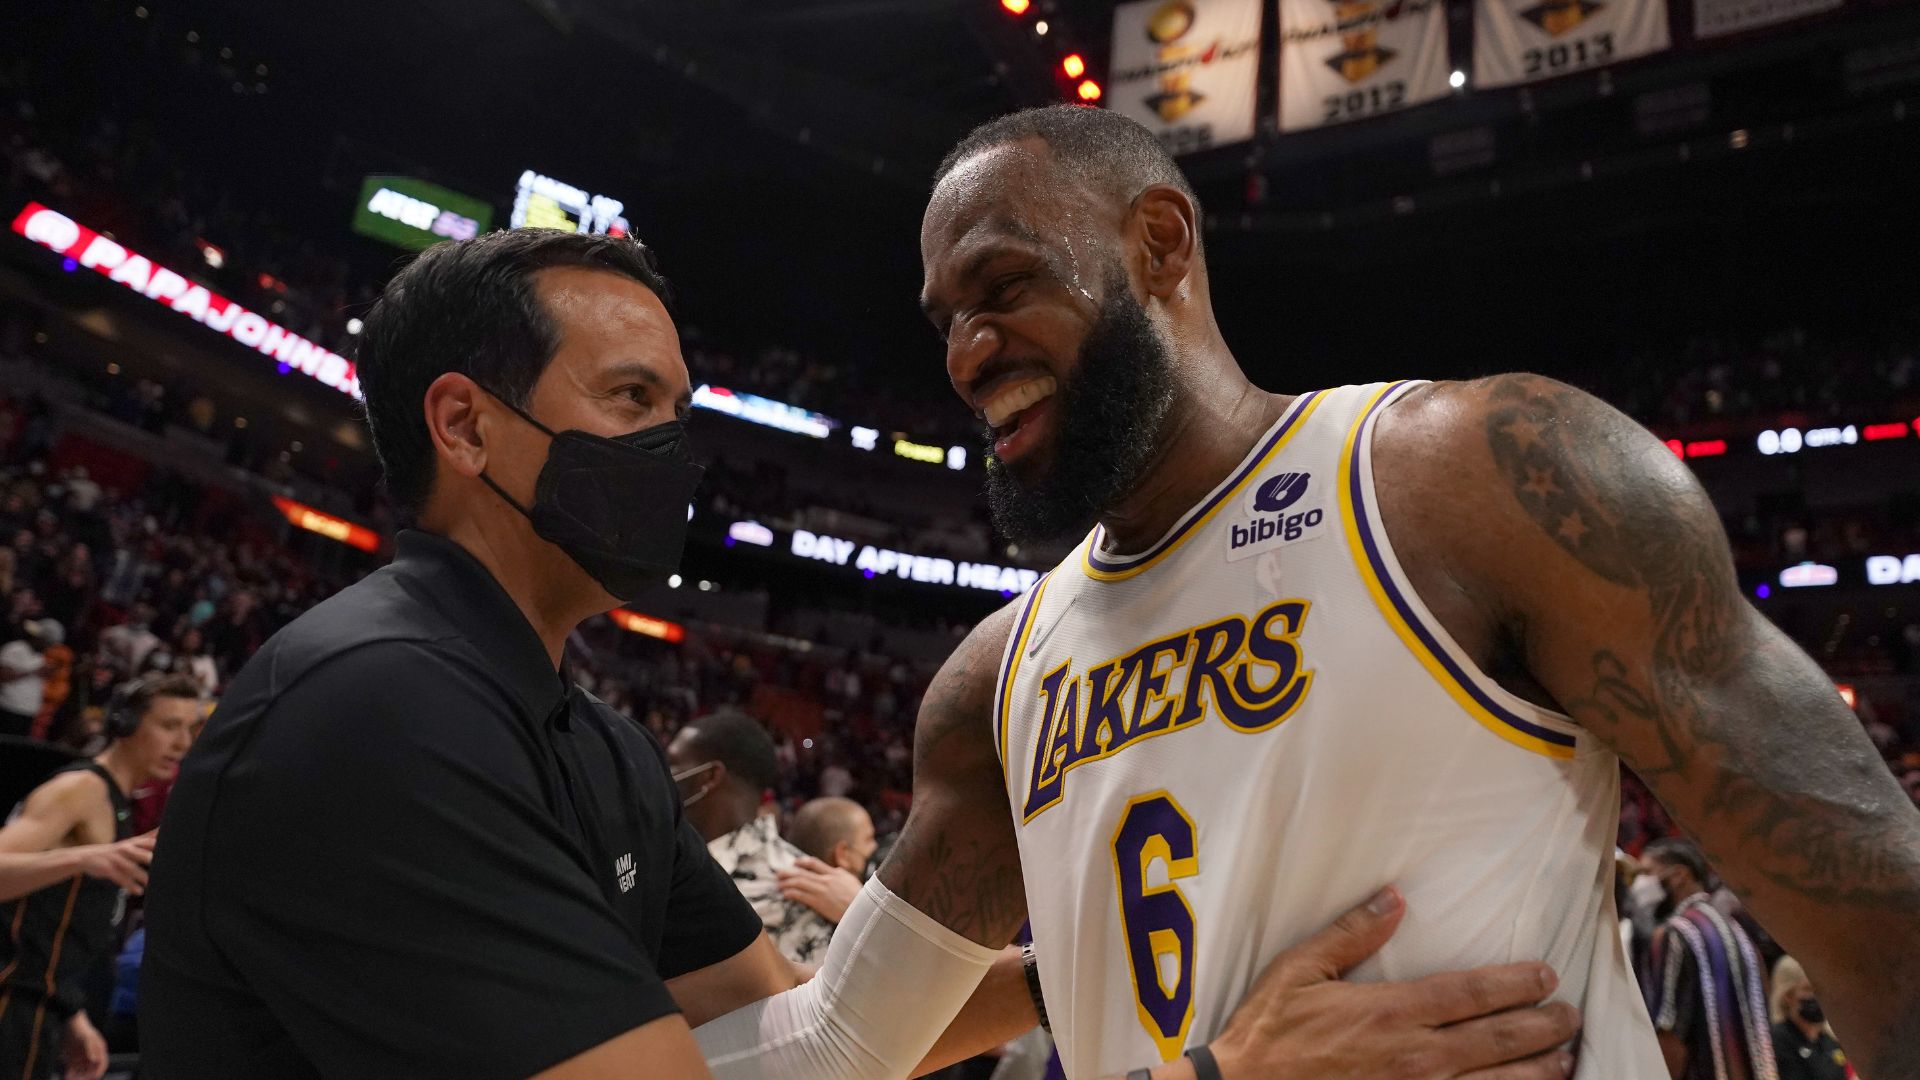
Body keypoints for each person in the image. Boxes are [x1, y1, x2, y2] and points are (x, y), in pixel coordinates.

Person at [141, 228, 1583, 1080]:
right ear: (464, 426)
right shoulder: (379, 710)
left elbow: (820, 1043)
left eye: (679, 405)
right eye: (630, 397)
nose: (673, 448)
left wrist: (1133, 963)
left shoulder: (590, 741)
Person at [866, 104, 1920, 1079]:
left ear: (1160, 244)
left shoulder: (1468, 480)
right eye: (942, 320)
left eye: (1003, 288)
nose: (964, 354)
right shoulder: (991, 682)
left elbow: (1885, 924)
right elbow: (840, 1045)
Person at [0, 671, 199, 1080]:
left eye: (189, 729)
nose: (182, 744)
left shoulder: (116, 802)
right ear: (124, 723)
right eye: (169, 726)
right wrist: (84, 858)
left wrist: (70, 1013)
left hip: (37, 1007)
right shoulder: (80, 789)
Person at [666, 712, 835, 965]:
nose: (660, 774)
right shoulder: (664, 856)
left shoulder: (797, 885)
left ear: (709, 777)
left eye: (672, 763)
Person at [1639, 839, 1774, 1079]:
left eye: (1647, 872)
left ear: (1679, 875)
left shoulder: (1675, 933)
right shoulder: (1737, 930)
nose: (1639, 883)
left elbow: (1669, 1033)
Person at [779, 796, 876, 925]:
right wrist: (861, 910)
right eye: (869, 839)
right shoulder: (819, 931)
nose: (875, 846)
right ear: (843, 855)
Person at [1770, 956, 1848, 1080]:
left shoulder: (1829, 1040)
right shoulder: (1777, 1040)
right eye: (1809, 989)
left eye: (1821, 988)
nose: (1818, 996)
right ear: (1788, 996)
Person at [0, 618, 58, 738]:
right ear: (38, 637)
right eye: (47, 642)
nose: (48, 647)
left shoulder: (41, 657)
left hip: (29, 712)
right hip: (8, 708)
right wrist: (34, 671)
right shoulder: (15, 648)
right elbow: (3, 675)